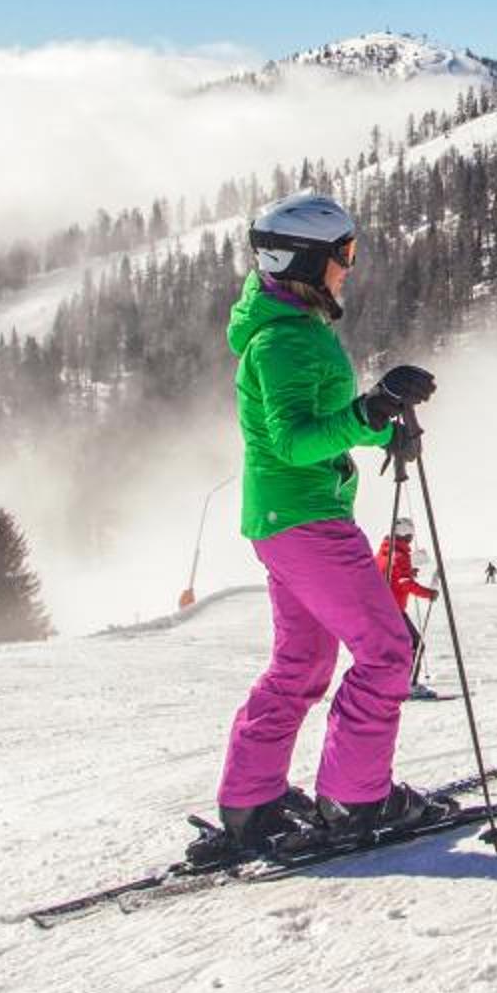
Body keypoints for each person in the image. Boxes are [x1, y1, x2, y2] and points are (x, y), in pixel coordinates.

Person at [193, 191, 442, 866]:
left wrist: (378, 427)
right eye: (344, 254)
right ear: (307, 260)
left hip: (286, 516)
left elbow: (313, 428)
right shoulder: (283, 341)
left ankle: (253, 800)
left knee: (302, 662)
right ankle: (357, 799)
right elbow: (293, 441)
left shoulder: (290, 327)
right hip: (304, 519)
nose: (349, 266)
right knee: (387, 651)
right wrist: (368, 412)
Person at [378, 513, 442, 700]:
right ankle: (408, 685)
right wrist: (428, 593)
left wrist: (408, 571)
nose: (412, 539)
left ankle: (391, 683)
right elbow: (404, 582)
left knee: (396, 648)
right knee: (415, 645)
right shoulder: (399, 556)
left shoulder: (385, 552)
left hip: (382, 610)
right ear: (406, 535)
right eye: (411, 535)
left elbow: (390, 574)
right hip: (393, 611)